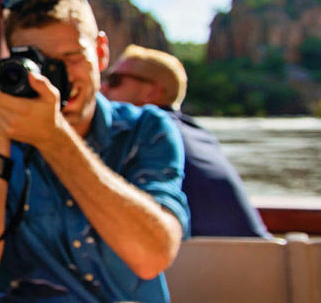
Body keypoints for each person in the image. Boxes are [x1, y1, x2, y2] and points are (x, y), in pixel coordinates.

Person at [0, 0, 189, 302]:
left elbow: (152, 256)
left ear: (101, 53)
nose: (58, 76)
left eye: (72, 57)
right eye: (41, 62)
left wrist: (53, 138)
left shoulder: (147, 129)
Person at [102, 44, 270, 238]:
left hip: (205, 262)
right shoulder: (200, 135)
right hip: (258, 256)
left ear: (150, 92)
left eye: (115, 80)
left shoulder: (142, 137)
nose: (102, 87)